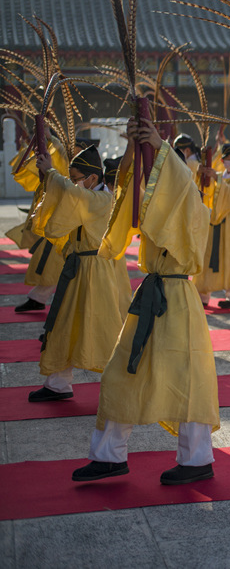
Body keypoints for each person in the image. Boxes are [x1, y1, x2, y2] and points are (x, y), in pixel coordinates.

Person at [73, 117, 218, 485]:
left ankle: (196, 460)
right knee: (122, 370)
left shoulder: (191, 201)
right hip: (151, 292)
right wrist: (132, 154)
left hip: (178, 299)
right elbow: (131, 198)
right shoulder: (168, 198)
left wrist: (158, 144)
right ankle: (108, 455)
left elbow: (179, 183)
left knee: (188, 381)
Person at [26, 145, 130, 402]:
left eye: (77, 178)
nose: (74, 184)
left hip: (95, 271)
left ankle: (121, 383)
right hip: (81, 268)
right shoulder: (93, 195)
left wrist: (50, 172)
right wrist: (51, 174)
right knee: (64, 324)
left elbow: (73, 194)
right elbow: (72, 194)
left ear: (92, 178)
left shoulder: (103, 199)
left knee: (103, 328)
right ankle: (57, 383)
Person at [7, 133, 70, 313]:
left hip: (66, 225)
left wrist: (48, 136)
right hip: (57, 223)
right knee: (51, 264)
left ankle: (42, 299)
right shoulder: (62, 171)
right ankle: (38, 297)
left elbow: (60, 155)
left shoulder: (67, 169)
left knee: (56, 264)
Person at [193, 143, 230, 309]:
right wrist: (201, 176)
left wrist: (217, 179)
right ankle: (202, 293)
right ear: (222, 160)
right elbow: (205, 194)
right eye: (228, 159)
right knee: (208, 254)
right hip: (213, 221)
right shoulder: (216, 176)